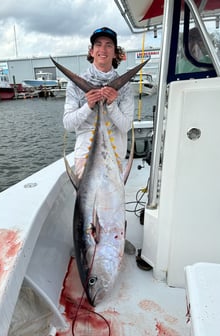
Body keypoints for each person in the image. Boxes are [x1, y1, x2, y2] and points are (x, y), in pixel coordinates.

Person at [63, 27, 136, 255]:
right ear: (91, 51)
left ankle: (117, 240)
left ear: (115, 53)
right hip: (86, 153)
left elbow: (125, 126)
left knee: (114, 201)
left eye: (109, 45)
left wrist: (111, 105)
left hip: (114, 152)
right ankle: (89, 247)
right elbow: (68, 123)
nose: (103, 49)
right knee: (88, 206)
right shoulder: (76, 84)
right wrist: (89, 105)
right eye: (98, 45)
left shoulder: (125, 87)